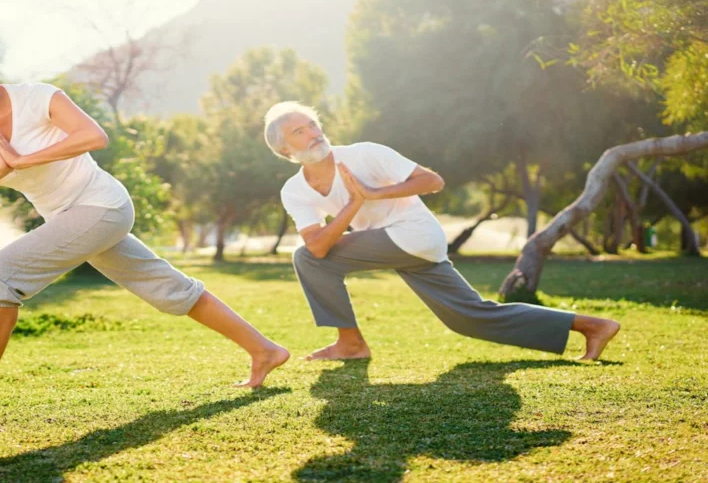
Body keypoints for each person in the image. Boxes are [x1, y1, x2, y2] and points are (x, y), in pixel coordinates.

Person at [0, 30, 289, 410]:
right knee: (166, 285)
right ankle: (265, 350)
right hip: (67, 219)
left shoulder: (36, 97)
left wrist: (23, 160)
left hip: (102, 206)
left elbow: (94, 136)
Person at [262, 101, 620, 362]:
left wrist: (372, 194)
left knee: (305, 259)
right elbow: (319, 246)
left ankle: (351, 343)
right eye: (299, 131)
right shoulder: (295, 191)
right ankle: (592, 326)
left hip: (413, 234)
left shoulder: (364, 154)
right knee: (468, 319)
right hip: (394, 243)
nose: (312, 133)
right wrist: (354, 205)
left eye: (312, 124)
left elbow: (431, 181)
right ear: (284, 150)